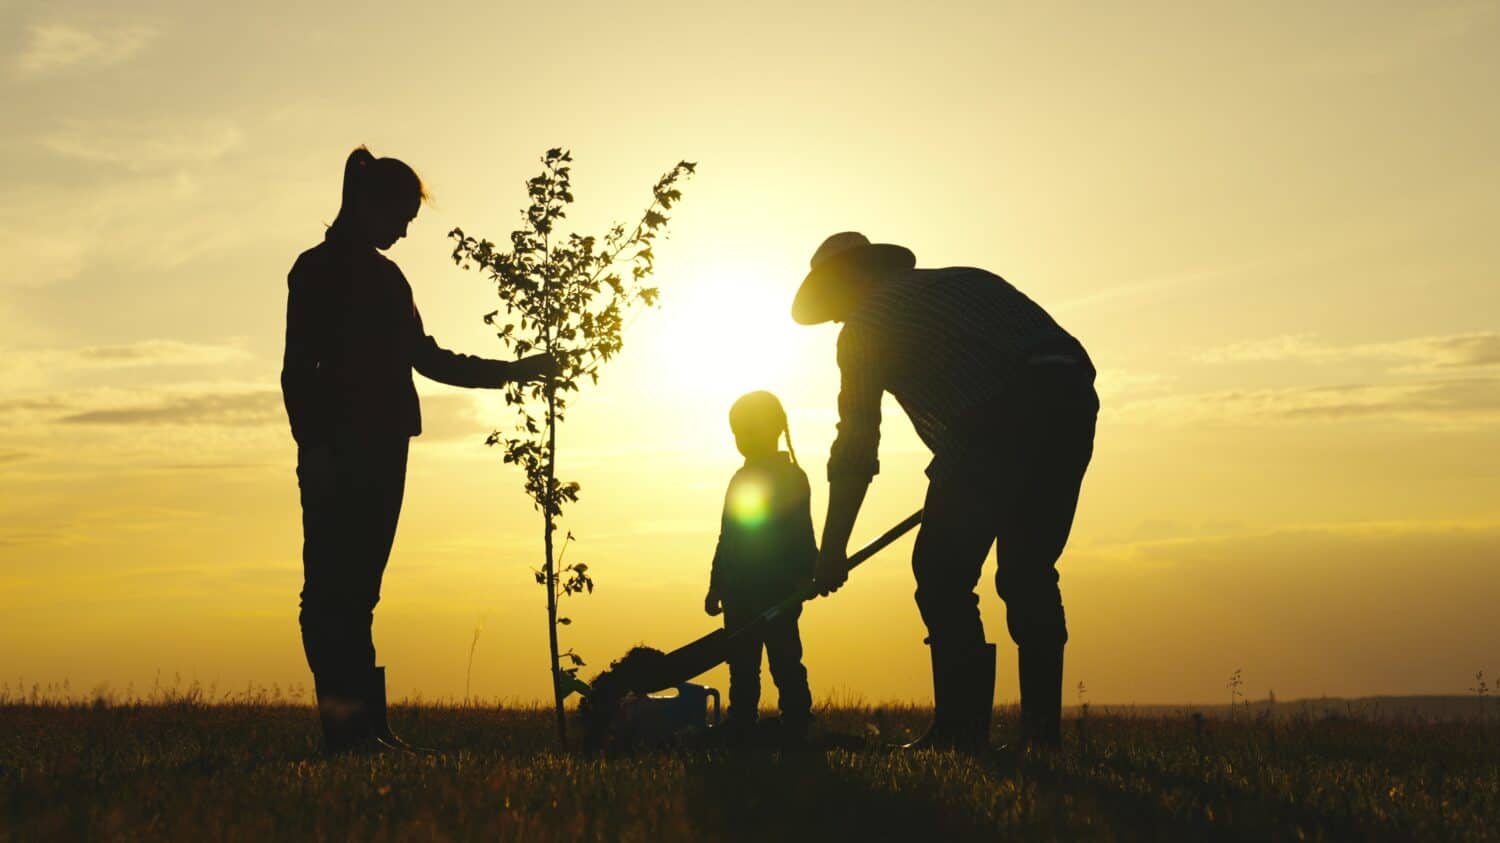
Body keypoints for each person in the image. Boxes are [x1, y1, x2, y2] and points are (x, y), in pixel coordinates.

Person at [281, 146, 556, 753]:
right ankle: (346, 728)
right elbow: (297, 372)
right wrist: (317, 448)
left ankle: (367, 730)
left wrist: (512, 371)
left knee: (359, 594)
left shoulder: (388, 279)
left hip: (382, 454)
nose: (406, 229)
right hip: (337, 455)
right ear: (367, 204)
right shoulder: (316, 271)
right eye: (401, 216)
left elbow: (426, 358)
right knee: (330, 594)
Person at [793, 232, 1098, 752]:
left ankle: (960, 733)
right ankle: (1041, 737)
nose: (839, 322)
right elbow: (1056, 353)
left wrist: (832, 548)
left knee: (941, 573)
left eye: (835, 308)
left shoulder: (865, 325)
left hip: (996, 426)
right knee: (1028, 571)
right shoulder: (968, 280)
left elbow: (857, 445)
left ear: (851, 283)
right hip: (1072, 403)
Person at [703, 391, 816, 743]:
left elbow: (802, 532)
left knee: (785, 659)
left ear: (773, 431)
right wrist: (717, 584)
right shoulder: (741, 479)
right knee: (742, 663)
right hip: (740, 591)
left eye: (748, 431)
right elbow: (728, 536)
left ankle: (796, 721)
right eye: (737, 433)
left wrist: (804, 575)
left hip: (778, 590)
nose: (742, 441)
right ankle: (742, 722)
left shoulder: (792, 478)